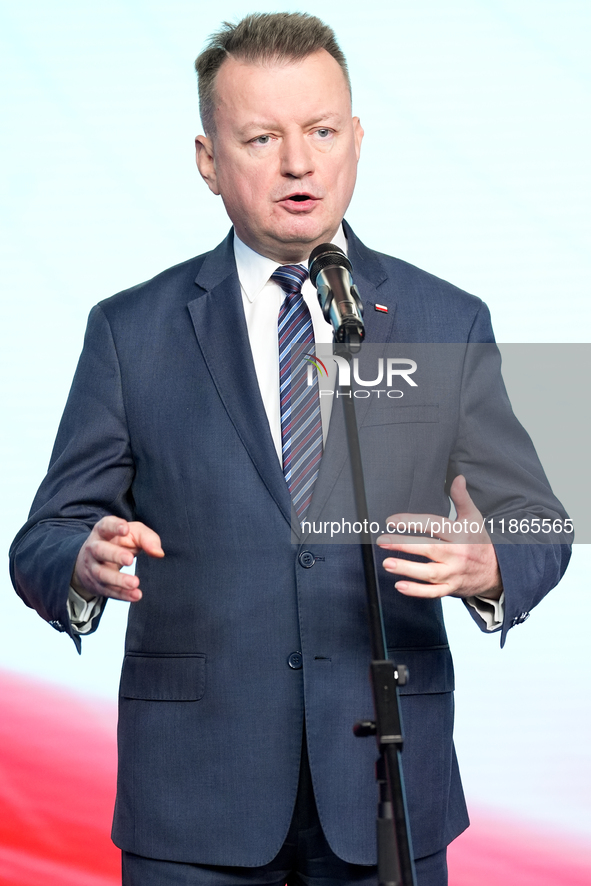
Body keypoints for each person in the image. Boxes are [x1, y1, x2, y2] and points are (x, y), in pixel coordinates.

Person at [9, 12, 571, 886]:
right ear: (208, 160)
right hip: (194, 797)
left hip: (391, 786)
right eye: (261, 137)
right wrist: (82, 562)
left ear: (355, 138)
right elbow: (45, 533)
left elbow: (539, 520)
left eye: (320, 131)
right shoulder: (130, 330)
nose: (298, 162)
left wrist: (492, 563)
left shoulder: (446, 317)